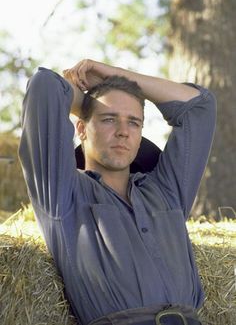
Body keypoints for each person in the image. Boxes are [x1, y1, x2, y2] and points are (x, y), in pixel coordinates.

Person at [19, 59, 216, 325]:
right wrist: (90, 103)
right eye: (109, 119)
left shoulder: (166, 191)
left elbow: (200, 107)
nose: (123, 132)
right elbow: (45, 87)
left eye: (134, 122)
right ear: (81, 129)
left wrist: (116, 77)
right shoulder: (63, 195)